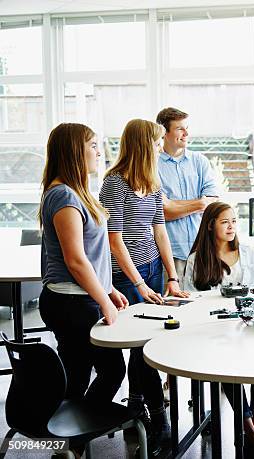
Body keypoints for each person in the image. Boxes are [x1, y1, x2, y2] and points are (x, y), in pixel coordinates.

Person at [99, 119, 189, 455]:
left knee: (149, 342)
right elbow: (114, 238)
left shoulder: (152, 182)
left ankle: (138, 402)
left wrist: (171, 276)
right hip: (125, 275)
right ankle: (159, 419)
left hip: (151, 269)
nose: (159, 146)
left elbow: (159, 231)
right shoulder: (114, 184)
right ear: (142, 144)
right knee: (140, 341)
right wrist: (137, 282)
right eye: (155, 141)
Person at [39, 123, 127, 406]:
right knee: (107, 371)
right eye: (92, 146)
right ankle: (72, 440)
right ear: (74, 151)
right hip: (72, 301)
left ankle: (70, 441)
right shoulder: (64, 195)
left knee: (79, 376)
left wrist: (108, 287)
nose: (99, 152)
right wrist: (104, 300)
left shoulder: (74, 192)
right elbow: (76, 260)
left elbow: (90, 252)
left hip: (77, 298)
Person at [183, 202, 254, 458]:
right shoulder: (197, 259)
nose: (232, 226)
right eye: (225, 222)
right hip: (216, 331)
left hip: (249, 327)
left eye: (234, 220)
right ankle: (250, 431)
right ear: (211, 225)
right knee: (224, 366)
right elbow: (191, 300)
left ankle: (251, 429)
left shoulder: (248, 253)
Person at [156, 107, 220, 286]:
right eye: (179, 129)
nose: (186, 133)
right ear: (164, 132)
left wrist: (174, 205)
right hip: (170, 253)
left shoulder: (200, 161)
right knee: (172, 308)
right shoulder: (153, 165)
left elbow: (212, 204)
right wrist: (200, 203)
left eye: (187, 128)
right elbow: (162, 212)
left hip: (202, 251)